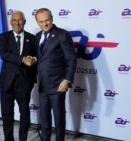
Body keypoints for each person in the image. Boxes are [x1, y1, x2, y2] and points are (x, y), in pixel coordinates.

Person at [35, 8, 77, 141]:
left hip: (58, 84)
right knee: (45, 119)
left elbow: (71, 59)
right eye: (41, 22)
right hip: (42, 85)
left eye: (47, 20)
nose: (45, 24)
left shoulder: (62, 35)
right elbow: (40, 58)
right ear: (38, 23)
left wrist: (67, 80)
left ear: (52, 19)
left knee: (59, 119)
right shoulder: (37, 37)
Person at [0, 11, 37, 141]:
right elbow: (4, 54)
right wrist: (22, 59)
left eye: (20, 20)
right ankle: (8, 139)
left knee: (25, 115)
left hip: (24, 82)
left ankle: (23, 139)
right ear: (11, 22)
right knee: (7, 114)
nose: (17, 23)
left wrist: (33, 59)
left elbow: (37, 56)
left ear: (24, 22)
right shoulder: (3, 37)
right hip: (7, 82)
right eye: (14, 20)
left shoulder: (32, 38)